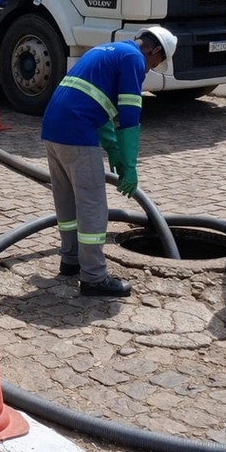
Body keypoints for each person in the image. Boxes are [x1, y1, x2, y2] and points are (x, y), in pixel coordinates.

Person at [40, 26, 178, 297]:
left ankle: (70, 261)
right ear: (155, 50)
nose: (150, 69)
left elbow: (100, 107)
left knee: (67, 201)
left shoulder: (107, 50)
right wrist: (130, 166)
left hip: (52, 129)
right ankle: (93, 277)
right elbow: (129, 116)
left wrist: (112, 150)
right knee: (92, 206)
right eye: (156, 62)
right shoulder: (134, 59)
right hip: (78, 132)